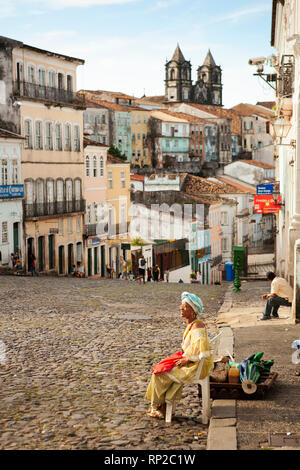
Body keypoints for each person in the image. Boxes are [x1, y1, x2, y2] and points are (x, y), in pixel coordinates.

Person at [145, 292, 213, 419]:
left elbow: (203, 352)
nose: (181, 308)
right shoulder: (192, 324)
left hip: (195, 367)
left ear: (193, 310)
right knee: (162, 366)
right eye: (182, 306)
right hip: (192, 363)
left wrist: (187, 359)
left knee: (159, 374)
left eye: (185, 306)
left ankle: (159, 407)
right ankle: (163, 406)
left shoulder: (197, 326)